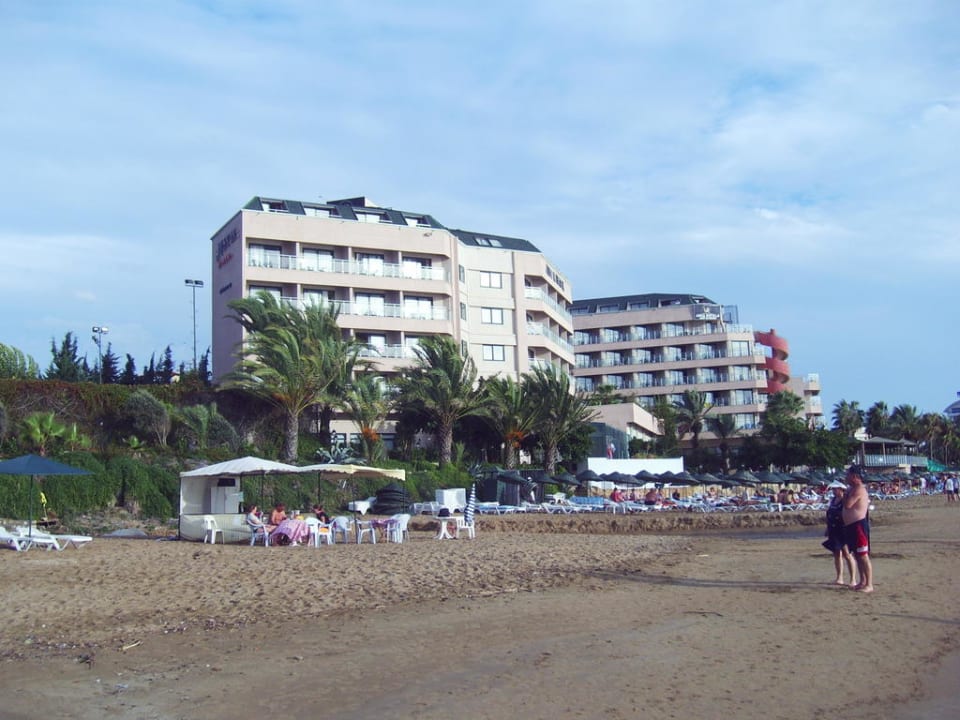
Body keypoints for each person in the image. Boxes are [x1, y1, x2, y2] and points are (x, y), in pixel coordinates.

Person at [842, 464, 874, 593]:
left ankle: (869, 584)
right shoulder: (851, 489)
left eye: (848, 475)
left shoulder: (859, 489)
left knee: (863, 555)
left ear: (855, 476)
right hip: (851, 526)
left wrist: (844, 495)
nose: (846, 477)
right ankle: (862, 581)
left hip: (859, 525)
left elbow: (848, 504)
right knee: (856, 554)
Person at [822, 481, 857, 586]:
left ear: (841, 489)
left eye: (835, 489)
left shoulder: (844, 501)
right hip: (833, 529)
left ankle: (853, 579)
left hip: (843, 530)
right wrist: (827, 529)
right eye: (833, 489)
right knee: (837, 554)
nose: (833, 491)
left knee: (847, 554)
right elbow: (829, 514)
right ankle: (839, 577)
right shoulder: (833, 500)